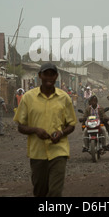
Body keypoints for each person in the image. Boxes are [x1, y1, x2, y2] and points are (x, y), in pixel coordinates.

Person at [13, 62, 77, 197]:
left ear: (56, 76)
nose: (49, 77)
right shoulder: (28, 98)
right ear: (39, 76)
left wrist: (61, 133)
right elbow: (21, 126)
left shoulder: (64, 98)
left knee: (55, 192)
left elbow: (71, 124)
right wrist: (36, 130)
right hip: (37, 153)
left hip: (59, 151)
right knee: (40, 191)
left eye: (52, 74)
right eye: (46, 74)